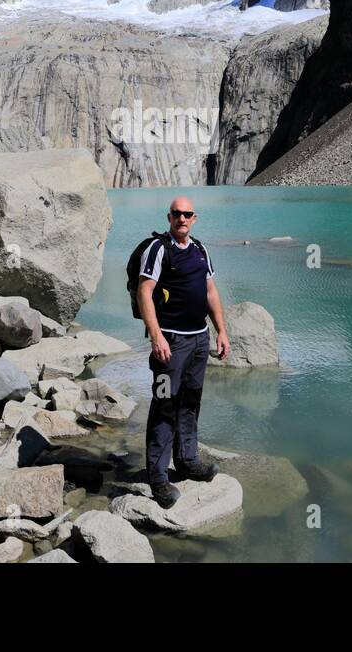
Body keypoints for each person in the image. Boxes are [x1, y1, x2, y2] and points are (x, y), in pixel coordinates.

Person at [137, 196, 231, 507]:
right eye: (177, 214)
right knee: (165, 403)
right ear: (169, 216)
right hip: (172, 343)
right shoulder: (158, 249)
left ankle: (187, 460)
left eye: (187, 214)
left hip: (199, 340)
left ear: (194, 218)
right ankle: (158, 475)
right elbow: (144, 292)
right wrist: (156, 336)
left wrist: (221, 330)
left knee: (190, 400)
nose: (182, 218)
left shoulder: (200, 249)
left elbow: (210, 291)